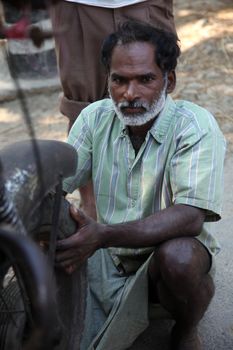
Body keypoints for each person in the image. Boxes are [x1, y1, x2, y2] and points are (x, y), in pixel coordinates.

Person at [56, 21, 226, 350]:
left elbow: (190, 216)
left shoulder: (194, 125)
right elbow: (57, 183)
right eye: (119, 80)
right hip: (104, 259)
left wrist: (102, 235)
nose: (130, 94)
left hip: (160, 263)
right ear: (108, 80)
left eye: (145, 79)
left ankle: (185, 329)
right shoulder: (93, 118)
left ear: (169, 81)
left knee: (180, 258)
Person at [50, 0, 176, 220]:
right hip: (77, 4)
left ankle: (157, 204)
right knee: (81, 105)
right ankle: (92, 207)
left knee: (151, 98)